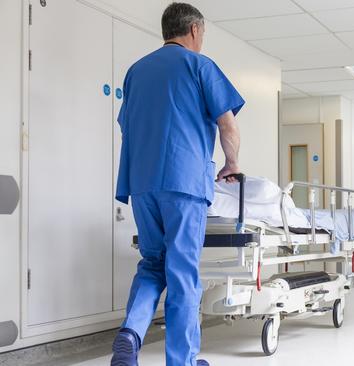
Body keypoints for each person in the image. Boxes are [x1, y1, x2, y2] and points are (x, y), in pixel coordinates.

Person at [110, 3, 245, 366]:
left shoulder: (136, 71)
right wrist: (231, 164)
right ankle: (181, 361)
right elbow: (228, 125)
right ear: (195, 31)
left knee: (153, 263)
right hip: (184, 184)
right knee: (183, 271)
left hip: (141, 182)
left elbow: (127, 125)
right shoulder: (201, 66)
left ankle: (131, 333)